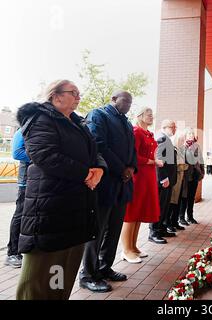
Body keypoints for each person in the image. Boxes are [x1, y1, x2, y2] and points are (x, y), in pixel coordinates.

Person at [15, 80, 107, 300]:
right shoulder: (39, 119)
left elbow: (96, 152)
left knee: (60, 279)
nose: (78, 97)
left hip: (75, 210)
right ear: (55, 96)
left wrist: (100, 170)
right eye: (73, 93)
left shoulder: (77, 124)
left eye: (79, 93)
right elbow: (45, 156)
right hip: (49, 211)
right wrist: (86, 173)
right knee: (38, 284)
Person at [79, 90, 137, 293]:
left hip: (123, 184)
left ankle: (105, 268)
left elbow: (132, 149)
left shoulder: (127, 122)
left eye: (131, 102)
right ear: (113, 99)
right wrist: (122, 168)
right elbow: (99, 145)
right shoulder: (98, 115)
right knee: (98, 230)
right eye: (125, 100)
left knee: (114, 229)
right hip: (106, 183)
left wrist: (131, 168)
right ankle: (88, 274)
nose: (129, 104)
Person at [121, 107, 164, 260]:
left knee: (139, 213)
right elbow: (133, 156)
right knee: (132, 213)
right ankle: (126, 250)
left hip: (149, 175)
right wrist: (152, 161)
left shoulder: (148, 133)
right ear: (140, 116)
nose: (152, 117)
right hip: (139, 176)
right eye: (148, 114)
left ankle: (133, 246)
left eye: (153, 114)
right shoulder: (136, 132)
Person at [4, 128, 30, 268]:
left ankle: (25, 248)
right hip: (26, 181)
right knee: (20, 215)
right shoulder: (22, 130)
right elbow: (17, 153)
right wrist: (42, 154)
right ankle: (12, 253)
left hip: (39, 181)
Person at [149, 120, 177, 243]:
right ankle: (154, 232)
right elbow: (158, 159)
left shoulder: (167, 139)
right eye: (172, 127)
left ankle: (161, 228)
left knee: (164, 206)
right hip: (163, 179)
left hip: (169, 179)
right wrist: (163, 178)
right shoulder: (162, 139)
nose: (174, 129)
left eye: (175, 127)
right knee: (159, 206)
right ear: (164, 127)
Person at [178, 128, 204, 225]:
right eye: (189, 133)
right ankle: (181, 217)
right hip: (185, 176)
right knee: (184, 196)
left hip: (195, 175)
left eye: (192, 134)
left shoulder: (196, 146)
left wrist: (202, 172)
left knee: (191, 197)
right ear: (185, 135)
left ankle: (190, 216)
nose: (191, 135)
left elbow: (201, 160)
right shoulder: (182, 147)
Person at [168, 131, 188, 231]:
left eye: (183, 140)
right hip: (175, 179)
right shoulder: (173, 150)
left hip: (181, 179)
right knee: (172, 201)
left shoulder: (181, 150)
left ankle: (175, 221)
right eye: (181, 140)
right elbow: (175, 165)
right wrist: (183, 167)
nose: (183, 141)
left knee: (178, 201)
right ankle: (169, 223)